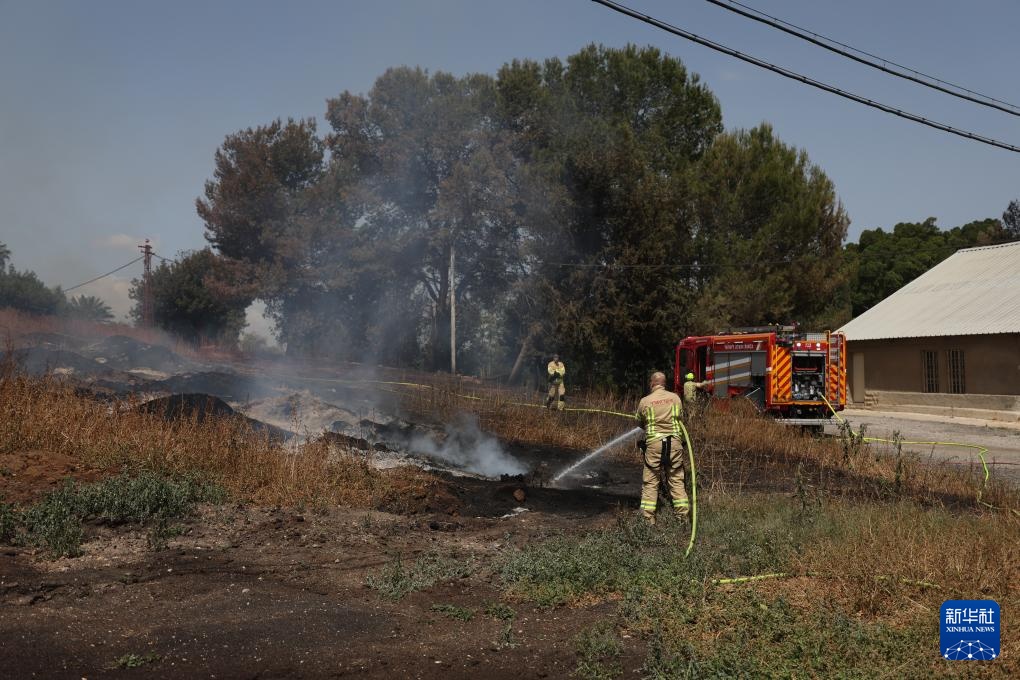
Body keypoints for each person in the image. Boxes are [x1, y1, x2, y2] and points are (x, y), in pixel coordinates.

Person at [635, 371, 689, 524]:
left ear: (652, 383)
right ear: (664, 383)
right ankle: (683, 518)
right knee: (676, 480)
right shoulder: (675, 398)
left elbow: (639, 423)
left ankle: (648, 520)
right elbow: (681, 418)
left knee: (651, 481)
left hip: (654, 445)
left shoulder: (645, 401)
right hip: (674, 444)